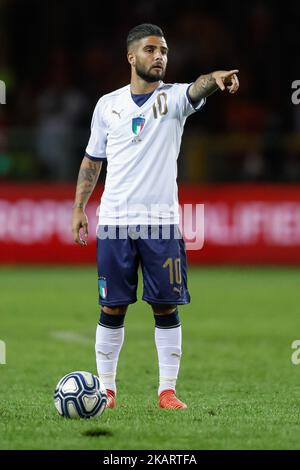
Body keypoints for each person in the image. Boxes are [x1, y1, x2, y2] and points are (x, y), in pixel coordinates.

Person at [72, 23, 239, 410]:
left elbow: (198, 86)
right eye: (150, 50)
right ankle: (107, 391)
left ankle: (166, 391)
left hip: (161, 224)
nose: (159, 56)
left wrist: (215, 78)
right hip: (114, 223)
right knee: (112, 306)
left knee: (166, 305)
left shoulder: (175, 99)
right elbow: (93, 160)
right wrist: (79, 206)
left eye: (163, 50)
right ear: (132, 57)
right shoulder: (107, 105)